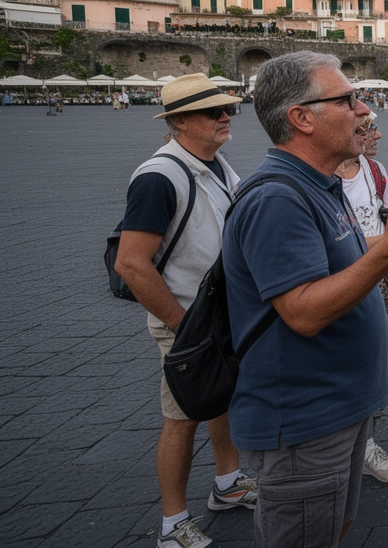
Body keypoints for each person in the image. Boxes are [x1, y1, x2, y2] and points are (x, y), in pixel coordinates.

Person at [223, 52, 388, 547]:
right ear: (302, 118)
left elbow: (339, 257)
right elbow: (304, 310)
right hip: (305, 418)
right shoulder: (277, 197)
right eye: (348, 100)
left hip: (339, 408)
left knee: (332, 528)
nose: (364, 111)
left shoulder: (318, 184)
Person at [115, 74, 253, 548]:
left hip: (217, 313)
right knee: (181, 417)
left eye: (226, 109)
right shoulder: (159, 176)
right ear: (177, 122)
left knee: (220, 397)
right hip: (188, 317)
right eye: (212, 111)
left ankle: (228, 484)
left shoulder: (214, 163)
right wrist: (183, 326)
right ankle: (173, 525)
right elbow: (131, 263)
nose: (224, 116)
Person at [336, 114, 388, 484]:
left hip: (375, 280)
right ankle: (335, 446)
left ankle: (365, 445)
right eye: (365, 129)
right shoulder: (319, 175)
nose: (375, 134)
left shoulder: (375, 170)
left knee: (370, 360)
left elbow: (386, 220)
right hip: (335, 281)